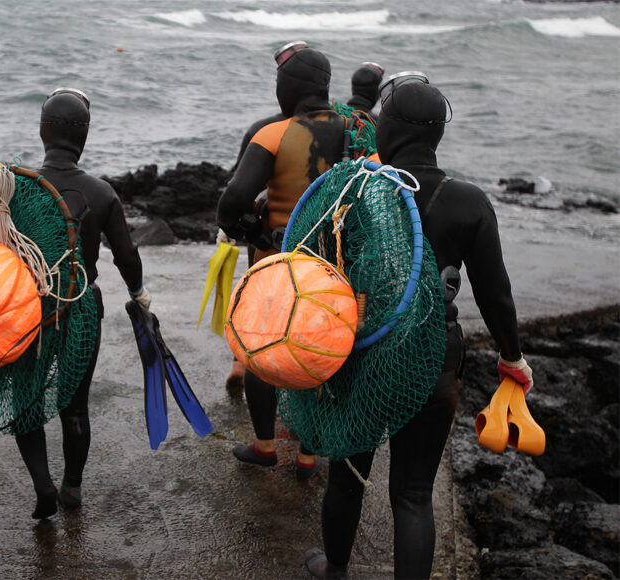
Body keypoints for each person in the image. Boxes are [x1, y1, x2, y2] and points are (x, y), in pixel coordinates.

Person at [303, 73, 534, 579]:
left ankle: (335, 568)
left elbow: (316, 277)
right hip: (433, 354)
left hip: (361, 351)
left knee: (345, 476)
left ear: (390, 130)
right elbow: (496, 294)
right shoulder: (469, 201)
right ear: (435, 135)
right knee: (412, 494)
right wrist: (512, 357)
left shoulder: (356, 189)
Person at [14, 88, 150, 519]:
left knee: (27, 401)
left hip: (29, 308)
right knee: (75, 404)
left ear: (42, 132)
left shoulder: (18, 189)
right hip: (81, 308)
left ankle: (42, 485)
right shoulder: (102, 192)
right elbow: (126, 255)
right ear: (85, 135)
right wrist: (138, 294)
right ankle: (72, 487)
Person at [217, 41, 348, 480]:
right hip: (333, 267)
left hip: (277, 264)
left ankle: (266, 445)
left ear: (288, 88)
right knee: (319, 352)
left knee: (261, 352)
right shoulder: (358, 132)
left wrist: (250, 233)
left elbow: (233, 198)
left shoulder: (273, 134)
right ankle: (309, 454)